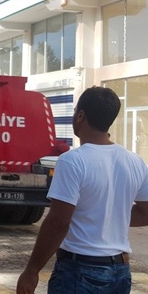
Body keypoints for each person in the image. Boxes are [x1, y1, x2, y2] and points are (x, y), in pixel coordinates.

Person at [16, 87, 148, 294]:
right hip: (120, 273)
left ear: (80, 116)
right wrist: (107, 215)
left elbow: (58, 222)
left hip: (80, 272)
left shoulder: (72, 160)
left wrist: (32, 270)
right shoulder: (135, 162)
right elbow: (145, 213)